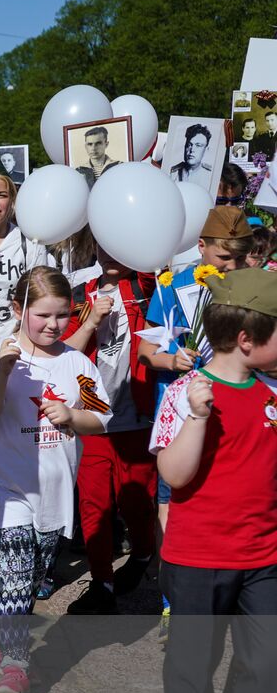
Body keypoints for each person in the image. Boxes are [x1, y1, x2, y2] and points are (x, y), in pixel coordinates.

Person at [147, 269, 277, 693]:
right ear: (246, 340)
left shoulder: (272, 393)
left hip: (263, 556)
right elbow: (174, 475)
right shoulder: (186, 392)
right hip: (198, 555)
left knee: (267, 661)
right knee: (192, 663)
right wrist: (197, 419)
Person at [0, 267, 112, 693]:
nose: (52, 325)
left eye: (62, 316)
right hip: (0, 485)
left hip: (52, 492)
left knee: (28, 578)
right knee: (12, 565)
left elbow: (100, 419)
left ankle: (6, 636)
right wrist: (4, 373)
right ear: (18, 310)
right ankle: (15, 667)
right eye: (42, 315)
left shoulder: (78, 363)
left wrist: (72, 416)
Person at [138, 206, 252, 539]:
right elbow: (146, 352)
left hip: (232, 410)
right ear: (201, 246)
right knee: (172, 500)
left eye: (239, 259)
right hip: (178, 414)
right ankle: (170, 587)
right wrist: (172, 362)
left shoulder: (250, 287)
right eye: (224, 257)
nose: (231, 266)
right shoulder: (173, 285)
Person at [62, 250, 158, 614]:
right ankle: (101, 581)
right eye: (106, 242)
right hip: (92, 418)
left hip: (136, 418)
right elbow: (62, 351)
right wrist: (88, 322)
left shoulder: (146, 288)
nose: (113, 251)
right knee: (93, 505)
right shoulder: (79, 293)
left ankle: (144, 553)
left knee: (135, 502)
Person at [0, 170, 56, 359]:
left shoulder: (30, 244)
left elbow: (39, 298)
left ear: (12, 199)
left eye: (1, 195)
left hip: (14, 351)